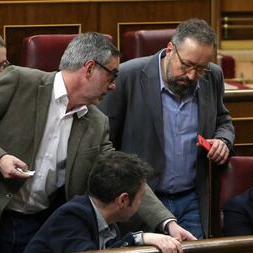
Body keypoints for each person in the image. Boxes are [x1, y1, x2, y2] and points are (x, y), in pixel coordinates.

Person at [0, 32, 193, 253]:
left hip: (44, 223)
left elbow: (124, 176)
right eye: (112, 75)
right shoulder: (20, 81)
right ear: (89, 69)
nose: (113, 86)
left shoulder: (97, 123)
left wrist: (167, 222)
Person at [99, 18, 235, 239]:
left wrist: (223, 139)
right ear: (170, 49)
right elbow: (105, 141)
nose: (192, 75)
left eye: (200, 69)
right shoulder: (127, 77)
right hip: (139, 201)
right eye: (187, 65)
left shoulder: (212, 76)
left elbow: (223, 119)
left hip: (192, 200)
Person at [21, 151, 183, 253]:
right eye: (141, 197)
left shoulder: (109, 223)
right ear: (123, 200)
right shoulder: (71, 217)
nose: (141, 203)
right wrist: (140, 238)